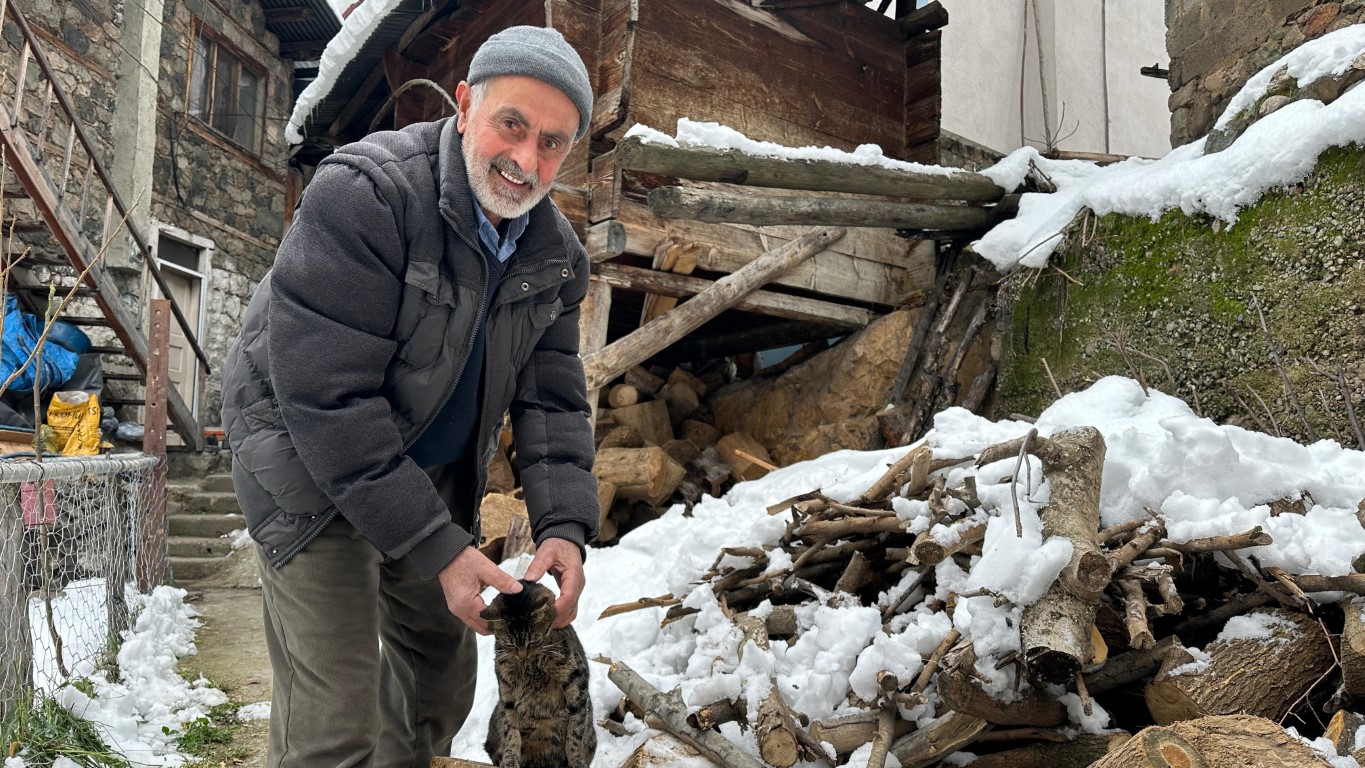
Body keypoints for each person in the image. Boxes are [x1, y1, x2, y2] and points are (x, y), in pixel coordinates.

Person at [219, 25, 599, 767]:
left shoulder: (554, 257)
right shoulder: (366, 195)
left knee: (440, 679)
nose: (525, 161)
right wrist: (437, 545)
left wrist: (564, 525)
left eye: (551, 142)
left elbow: (551, 402)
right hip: (306, 461)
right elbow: (328, 398)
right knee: (335, 718)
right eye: (511, 125)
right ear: (463, 106)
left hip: (421, 471)